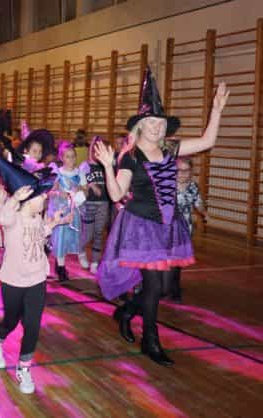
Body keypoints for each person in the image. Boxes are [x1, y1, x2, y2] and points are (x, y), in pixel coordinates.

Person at [95, 67, 229, 366]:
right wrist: (107, 167)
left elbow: (207, 141)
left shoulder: (170, 148)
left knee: (165, 287)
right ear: (141, 126)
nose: (157, 127)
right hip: (141, 227)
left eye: (161, 122)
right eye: (152, 122)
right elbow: (117, 195)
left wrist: (217, 110)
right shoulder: (131, 157)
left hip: (168, 227)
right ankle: (150, 340)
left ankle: (128, 311)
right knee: (154, 286)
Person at [0, 153, 65, 394]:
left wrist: (53, 223)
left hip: (37, 279)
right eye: (41, 196)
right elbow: (3, 218)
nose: (46, 198)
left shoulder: (36, 216)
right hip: (13, 280)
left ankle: (24, 367)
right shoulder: (13, 218)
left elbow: (39, 235)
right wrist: (12, 200)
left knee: (32, 325)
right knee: (11, 321)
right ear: (28, 199)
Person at [171, 157, 206, 303]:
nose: (183, 174)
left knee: (178, 260)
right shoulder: (168, 187)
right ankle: (164, 285)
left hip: (185, 229)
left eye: (186, 171)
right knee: (167, 258)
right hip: (168, 228)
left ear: (191, 171)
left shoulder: (193, 187)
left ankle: (175, 289)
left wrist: (204, 212)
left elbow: (198, 203)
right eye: (179, 170)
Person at [48, 142, 85, 282]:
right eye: (67, 157)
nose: (71, 159)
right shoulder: (57, 173)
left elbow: (85, 190)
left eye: (73, 156)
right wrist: (59, 193)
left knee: (68, 239)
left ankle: (59, 265)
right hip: (60, 211)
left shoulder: (79, 173)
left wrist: (80, 190)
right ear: (62, 158)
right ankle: (61, 268)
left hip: (73, 210)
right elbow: (50, 192)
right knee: (60, 238)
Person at [77, 136, 110, 274]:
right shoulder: (85, 165)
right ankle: (80, 250)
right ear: (91, 150)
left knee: (99, 233)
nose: (97, 153)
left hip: (103, 204)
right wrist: (91, 185)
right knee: (88, 234)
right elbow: (80, 181)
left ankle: (95, 261)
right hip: (89, 204)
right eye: (95, 149)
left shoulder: (106, 166)